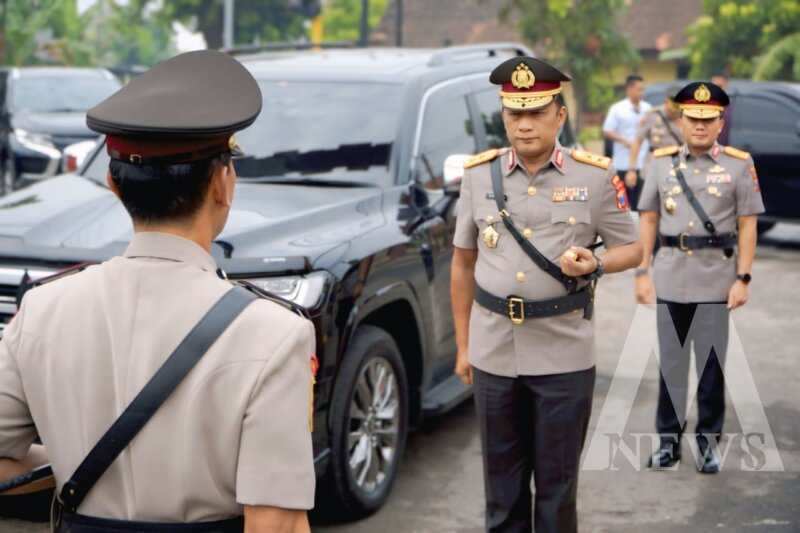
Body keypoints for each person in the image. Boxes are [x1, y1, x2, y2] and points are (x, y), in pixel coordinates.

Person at [0, 50, 316, 532]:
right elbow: (276, 522)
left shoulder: (42, 308)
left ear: (112, 182)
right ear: (222, 184)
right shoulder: (273, 333)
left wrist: (72, 466)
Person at [451, 56, 642, 533]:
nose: (525, 123)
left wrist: (597, 261)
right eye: (515, 113)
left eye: (536, 112)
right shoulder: (479, 176)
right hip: (494, 351)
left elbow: (633, 248)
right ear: (504, 117)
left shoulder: (595, 177)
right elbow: (462, 263)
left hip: (563, 357)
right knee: (502, 492)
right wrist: (462, 345)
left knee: (557, 494)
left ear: (560, 115)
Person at [635, 81, 764, 473]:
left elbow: (747, 224)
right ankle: (667, 442)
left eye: (709, 119)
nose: (700, 126)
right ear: (682, 119)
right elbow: (649, 220)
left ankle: (708, 443)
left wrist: (743, 277)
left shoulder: (739, 165)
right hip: (671, 274)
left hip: (715, 279)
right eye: (693, 118)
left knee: (711, 365)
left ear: (720, 122)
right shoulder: (660, 163)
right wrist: (642, 271)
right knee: (671, 364)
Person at [603, 75, 652, 210]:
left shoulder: (648, 108)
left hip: (643, 163)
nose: (642, 93)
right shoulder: (618, 109)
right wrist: (624, 141)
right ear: (629, 89)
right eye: (639, 89)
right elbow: (607, 130)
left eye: (643, 90)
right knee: (623, 203)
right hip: (623, 162)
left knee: (642, 202)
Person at [626, 84, 684, 189]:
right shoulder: (652, 115)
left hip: (679, 167)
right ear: (666, 102)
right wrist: (631, 170)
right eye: (673, 107)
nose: (675, 112)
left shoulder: (687, 116)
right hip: (654, 166)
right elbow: (637, 141)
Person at [711, 72, 733, 145]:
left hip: (727, 148)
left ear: (726, 85)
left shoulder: (731, 107)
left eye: (719, 86)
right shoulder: (705, 106)